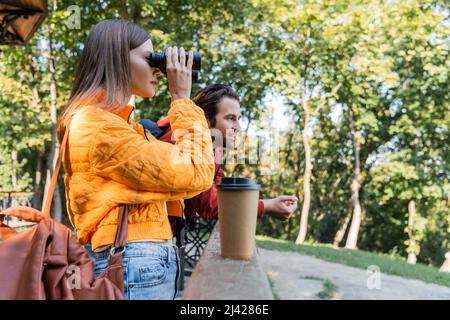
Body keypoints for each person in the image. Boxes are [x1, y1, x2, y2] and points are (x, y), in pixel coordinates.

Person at [57, 19, 215, 300]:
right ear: (117, 58)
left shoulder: (126, 128)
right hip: (132, 261)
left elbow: (191, 173)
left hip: (141, 262)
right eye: (150, 59)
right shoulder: (95, 126)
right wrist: (180, 98)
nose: (159, 69)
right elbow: (196, 171)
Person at [141, 84, 298, 225]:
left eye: (238, 119)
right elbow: (210, 204)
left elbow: (217, 189)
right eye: (230, 119)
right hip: (152, 237)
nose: (238, 127)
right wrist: (266, 206)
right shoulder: (181, 141)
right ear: (207, 120)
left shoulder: (214, 148)